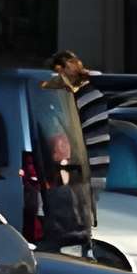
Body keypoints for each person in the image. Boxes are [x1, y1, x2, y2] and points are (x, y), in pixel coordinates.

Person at [39, 50, 100, 251]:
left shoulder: (73, 96)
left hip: (86, 162)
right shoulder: (90, 90)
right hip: (92, 160)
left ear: (61, 69)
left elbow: (66, 140)